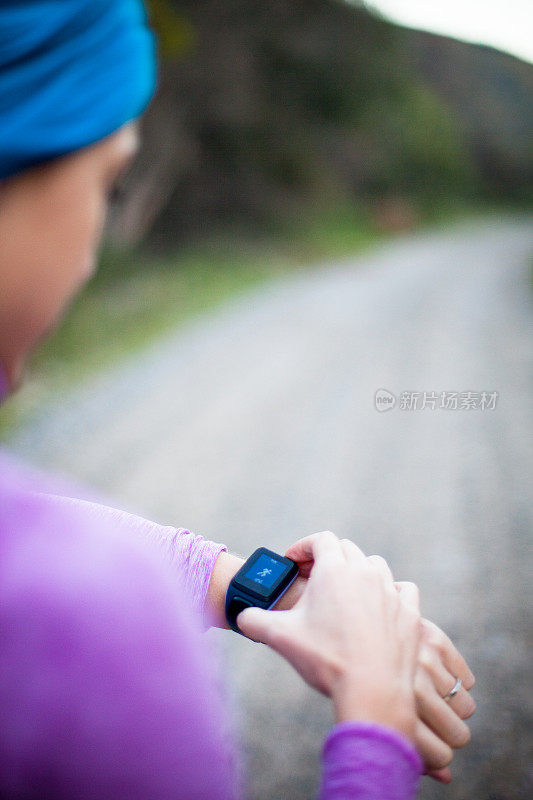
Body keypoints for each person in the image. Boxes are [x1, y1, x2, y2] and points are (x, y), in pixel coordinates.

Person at [0, 1, 475, 797]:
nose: (87, 257)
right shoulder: (85, 623)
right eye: (108, 184)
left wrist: (259, 587)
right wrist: (374, 726)